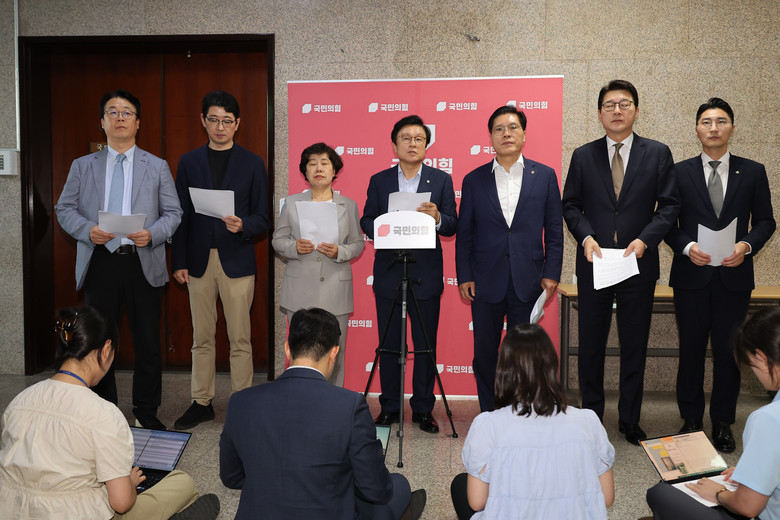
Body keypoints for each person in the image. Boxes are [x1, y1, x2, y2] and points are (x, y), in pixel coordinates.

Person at [0, 306, 219, 520]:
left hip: (13, 511)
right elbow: (121, 503)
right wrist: (129, 484)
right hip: (76, 513)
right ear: (106, 349)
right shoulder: (103, 414)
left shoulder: (21, 400)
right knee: (182, 482)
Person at [219, 307, 426, 520]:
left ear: (287, 349)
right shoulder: (350, 405)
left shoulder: (240, 401)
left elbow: (231, 477)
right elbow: (377, 489)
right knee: (398, 485)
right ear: (334, 352)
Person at [561, 79, 680, 445]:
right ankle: (591, 417)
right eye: (609, 105)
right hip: (595, 262)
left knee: (634, 344)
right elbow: (571, 205)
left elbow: (670, 206)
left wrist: (645, 239)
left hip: (637, 263)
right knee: (591, 345)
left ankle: (630, 418)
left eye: (624, 104)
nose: (617, 110)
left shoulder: (657, 153)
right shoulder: (583, 155)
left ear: (636, 111)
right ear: (599, 114)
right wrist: (586, 237)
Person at [55, 89, 183, 430]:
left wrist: (153, 233)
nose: (120, 117)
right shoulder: (83, 165)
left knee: (147, 341)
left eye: (127, 112)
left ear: (138, 123)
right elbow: (64, 208)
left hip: (143, 260)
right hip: (101, 260)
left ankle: (146, 410)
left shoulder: (157, 166)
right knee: (99, 340)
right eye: (113, 112)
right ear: (102, 122)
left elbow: (173, 212)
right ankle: (104, 408)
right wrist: (87, 230)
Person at [664, 97, 775, 452]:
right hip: (691, 275)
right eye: (706, 122)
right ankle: (691, 419)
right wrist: (686, 247)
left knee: (729, 352)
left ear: (732, 128)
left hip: (733, 276)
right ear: (697, 129)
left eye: (721, 121)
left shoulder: (752, 171)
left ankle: (723, 422)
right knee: (691, 349)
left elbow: (766, 221)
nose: (714, 128)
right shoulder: (678, 172)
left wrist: (746, 246)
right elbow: (666, 222)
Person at [171, 91, 270, 430]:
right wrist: (179, 261)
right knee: (202, 336)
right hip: (198, 261)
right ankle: (201, 401)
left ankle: (242, 402)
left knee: (240, 337)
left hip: (237, 259)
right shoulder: (189, 162)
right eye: (213, 119)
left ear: (237, 124)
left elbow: (263, 217)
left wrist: (244, 225)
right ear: (203, 121)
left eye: (227, 121)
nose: (220, 126)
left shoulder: (253, 163)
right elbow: (180, 215)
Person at [456, 105, 563, 413]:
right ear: (491, 136)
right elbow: (465, 234)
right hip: (485, 280)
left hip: (528, 279)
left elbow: (554, 230)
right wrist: (465, 275)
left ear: (524, 134)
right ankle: (490, 414)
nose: (507, 133)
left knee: (524, 354)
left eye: (513, 127)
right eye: (499, 129)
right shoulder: (474, 179)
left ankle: (521, 412)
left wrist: (552, 273)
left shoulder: (544, 176)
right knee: (485, 354)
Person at [450, 324, 615, 519]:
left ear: (503, 371)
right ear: (551, 366)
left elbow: (477, 502)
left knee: (460, 484)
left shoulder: (488, 425)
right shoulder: (589, 421)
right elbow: (607, 498)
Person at [361, 115, 457, 432]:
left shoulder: (441, 180)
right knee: (390, 343)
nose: (412, 143)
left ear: (426, 145)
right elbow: (366, 221)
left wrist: (438, 217)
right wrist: (385, 224)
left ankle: (423, 409)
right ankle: (389, 406)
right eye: (406, 138)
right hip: (389, 271)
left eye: (418, 139)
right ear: (394, 144)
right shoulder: (379, 180)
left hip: (426, 272)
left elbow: (452, 224)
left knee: (425, 343)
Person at [646, 306, 780, 519]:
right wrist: (751, 474)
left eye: (751, 364)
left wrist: (718, 493)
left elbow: (748, 507)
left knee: (660, 492)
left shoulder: (768, 418)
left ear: (762, 357)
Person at [272, 142, 364, 386]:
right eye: (312, 164)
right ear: (305, 171)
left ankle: (332, 402)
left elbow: (357, 243)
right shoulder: (292, 203)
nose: (318, 168)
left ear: (334, 170)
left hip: (336, 287)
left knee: (334, 352)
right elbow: (277, 240)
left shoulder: (349, 205)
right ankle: (299, 399)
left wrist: (340, 251)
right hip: (300, 287)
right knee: (300, 351)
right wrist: (294, 247)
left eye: (325, 163)